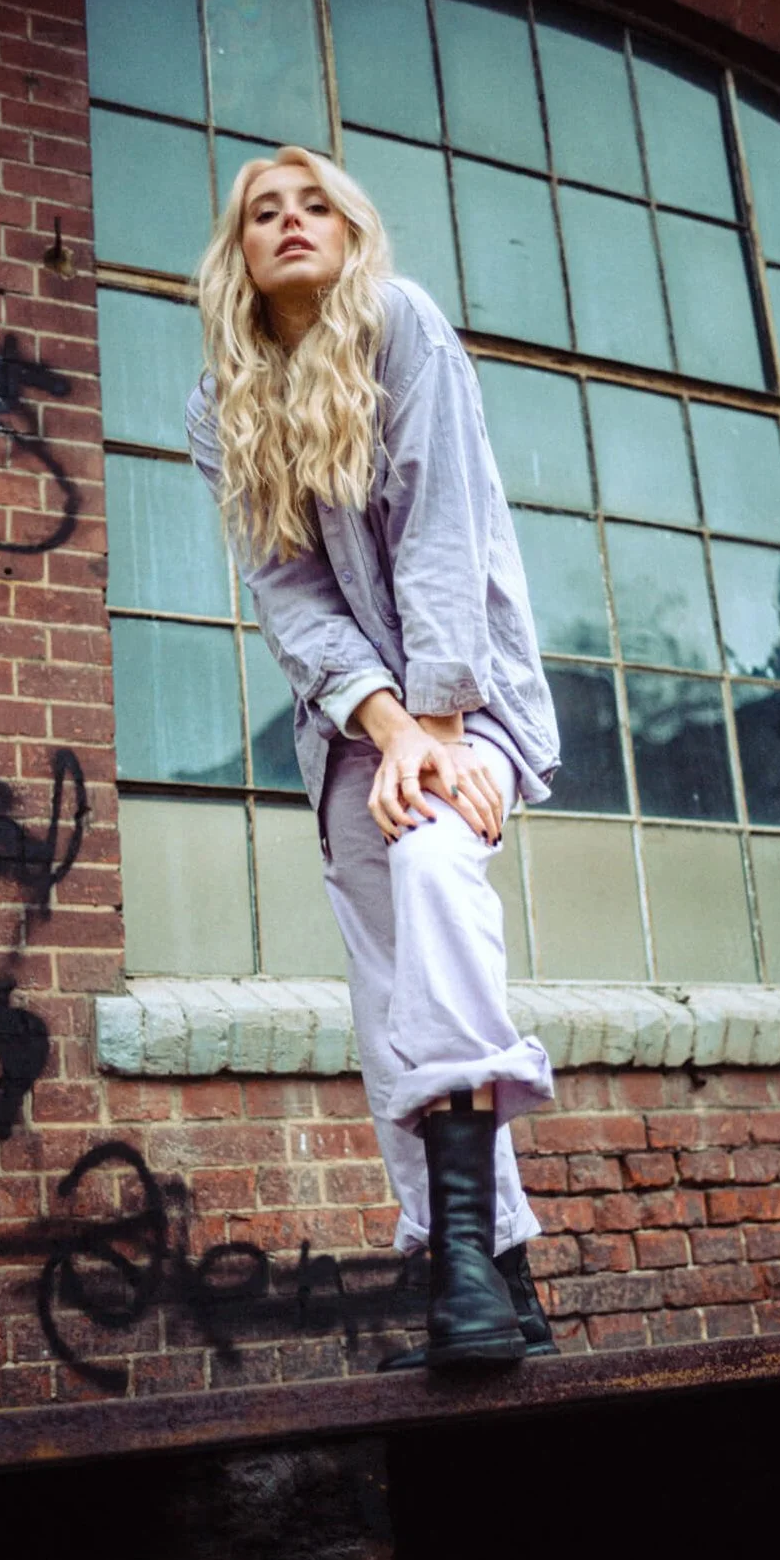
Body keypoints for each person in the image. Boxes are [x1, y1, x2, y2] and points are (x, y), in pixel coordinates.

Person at [186, 145, 561, 1372]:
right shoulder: (219, 408)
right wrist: (387, 728)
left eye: (314, 206)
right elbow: (289, 598)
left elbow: (446, 526)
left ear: (349, 230)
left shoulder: (400, 326)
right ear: (238, 252)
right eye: (263, 213)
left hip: (476, 696)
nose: (290, 224)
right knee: (389, 996)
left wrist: (440, 724)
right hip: (353, 731)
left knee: (439, 869)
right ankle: (496, 1286)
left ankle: (462, 1261)